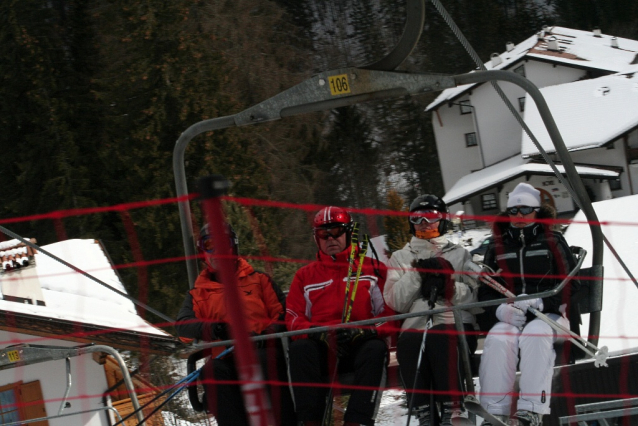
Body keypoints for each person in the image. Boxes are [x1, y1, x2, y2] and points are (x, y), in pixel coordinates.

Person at [478, 183, 581, 426]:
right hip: (513, 317)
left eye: (525, 210)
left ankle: (531, 409)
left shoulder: (553, 241)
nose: (520, 216)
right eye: (514, 211)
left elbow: (571, 284)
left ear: (536, 212)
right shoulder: (497, 245)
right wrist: (500, 310)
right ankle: (495, 411)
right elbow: (485, 289)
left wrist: (543, 301)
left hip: (550, 317)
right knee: (498, 338)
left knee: (536, 334)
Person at [176, 223, 296, 426]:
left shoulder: (258, 281)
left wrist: (264, 335)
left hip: (262, 351)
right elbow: (183, 327)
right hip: (227, 357)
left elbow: (284, 314)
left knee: (266, 362)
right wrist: (215, 329)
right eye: (210, 246)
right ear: (203, 252)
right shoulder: (199, 293)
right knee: (213, 373)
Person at [285, 206, 395, 426]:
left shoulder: (372, 269)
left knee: (375, 349)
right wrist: (318, 333)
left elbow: (390, 314)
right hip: (323, 348)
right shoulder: (305, 276)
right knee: (300, 350)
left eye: (336, 232)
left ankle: (358, 421)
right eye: (323, 234)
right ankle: (309, 421)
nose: (330, 239)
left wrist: (366, 332)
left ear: (349, 232)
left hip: (359, 345)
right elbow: (293, 317)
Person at [383, 194, 481, 426]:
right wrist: (418, 275)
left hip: (455, 325)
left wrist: (448, 286)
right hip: (417, 326)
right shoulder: (401, 257)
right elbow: (395, 300)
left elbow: (475, 296)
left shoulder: (460, 254)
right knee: (408, 344)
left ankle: (452, 408)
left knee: (441, 338)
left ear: (443, 220)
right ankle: (424, 411)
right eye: (418, 218)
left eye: (432, 217)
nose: (425, 223)